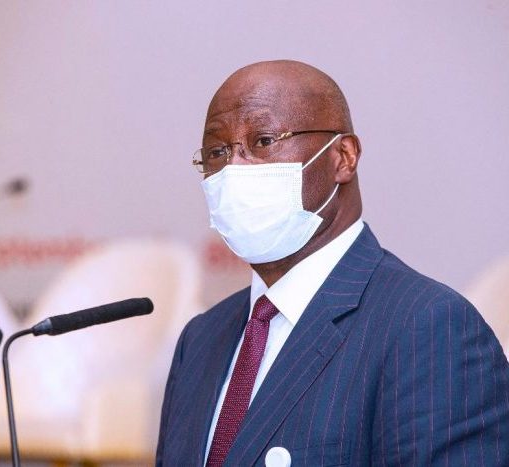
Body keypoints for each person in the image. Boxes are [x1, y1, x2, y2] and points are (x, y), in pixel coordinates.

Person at [156, 60, 509, 466]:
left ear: (343, 157)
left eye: (264, 141)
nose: (234, 168)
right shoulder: (200, 339)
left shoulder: (429, 325)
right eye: (217, 151)